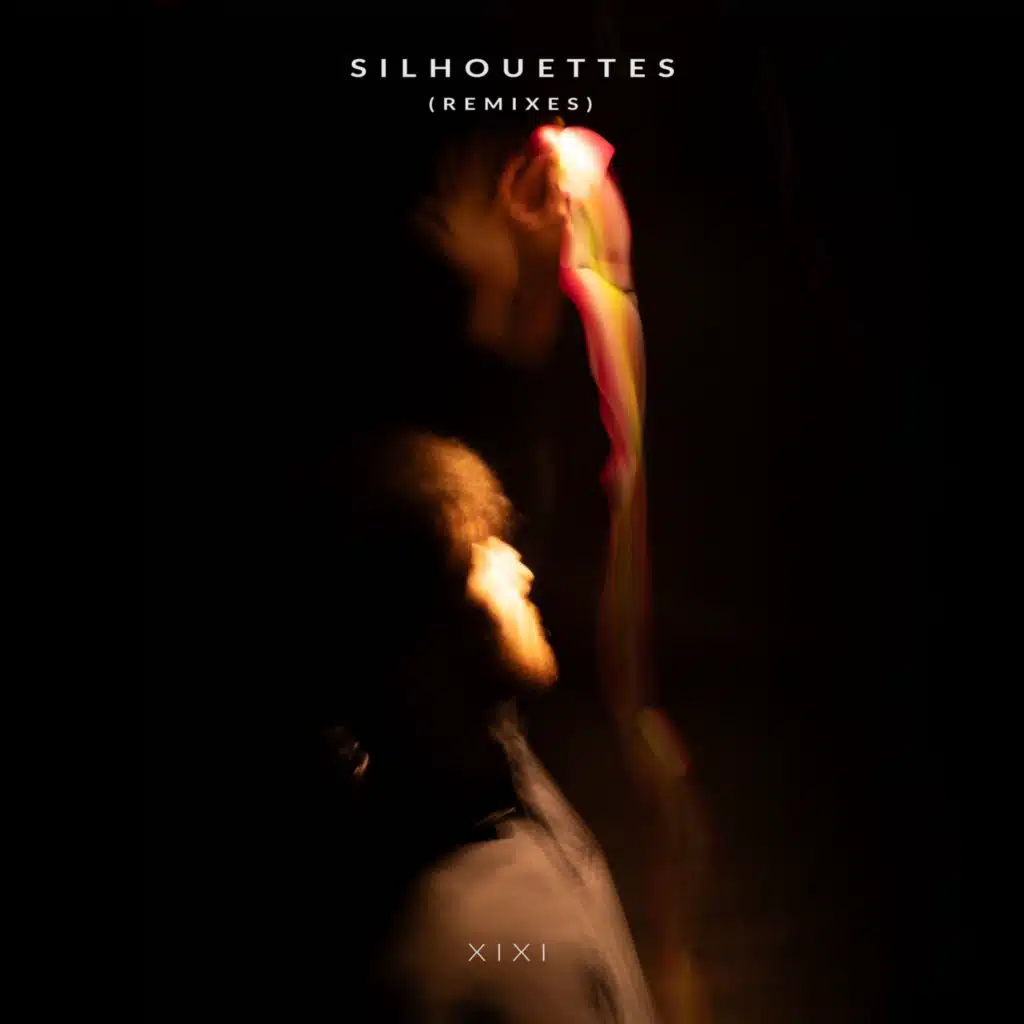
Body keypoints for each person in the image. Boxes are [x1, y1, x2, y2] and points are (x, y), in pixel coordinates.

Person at [282, 428, 661, 1023]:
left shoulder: (494, 773)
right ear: (428, 636)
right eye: (484, 549)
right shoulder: (462, 960)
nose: (519, 569)